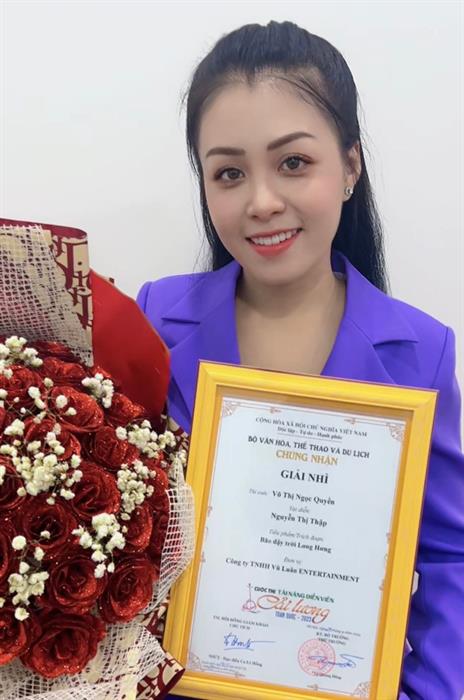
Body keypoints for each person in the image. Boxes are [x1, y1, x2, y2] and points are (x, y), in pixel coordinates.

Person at [137, 21, 464, 700]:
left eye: (293, 163)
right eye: (229, 173)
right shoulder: (155, 323)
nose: (261, 202)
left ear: (350, 167)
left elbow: (447, 556)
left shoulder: (420, 352)